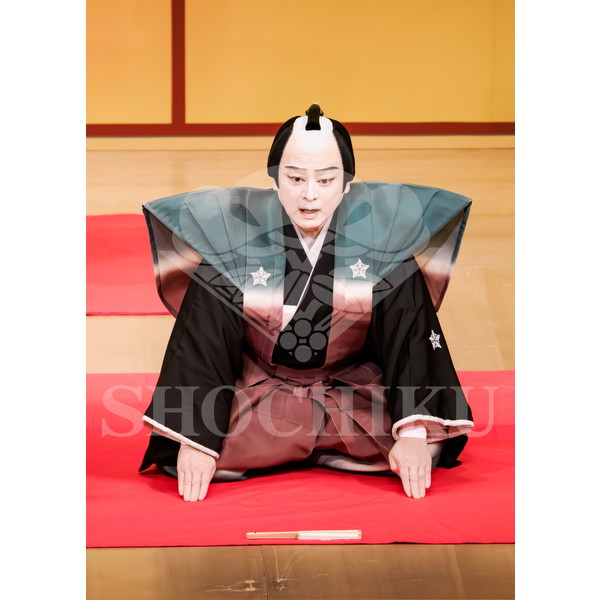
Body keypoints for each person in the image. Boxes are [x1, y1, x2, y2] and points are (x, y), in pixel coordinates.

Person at [138, 104, 474, 502]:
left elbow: (411, 339)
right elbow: (203, 342)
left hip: (349, 391)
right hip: (260, 392)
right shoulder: (232, 236)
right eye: (295, 178)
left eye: (326, 179)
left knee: (422, 444)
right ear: (275, 178)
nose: (309, 194)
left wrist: (414, 434)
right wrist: (197, 440)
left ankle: (294, 448)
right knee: (196, 451)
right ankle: (328, 450)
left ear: (346, 183)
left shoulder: (384, 240)